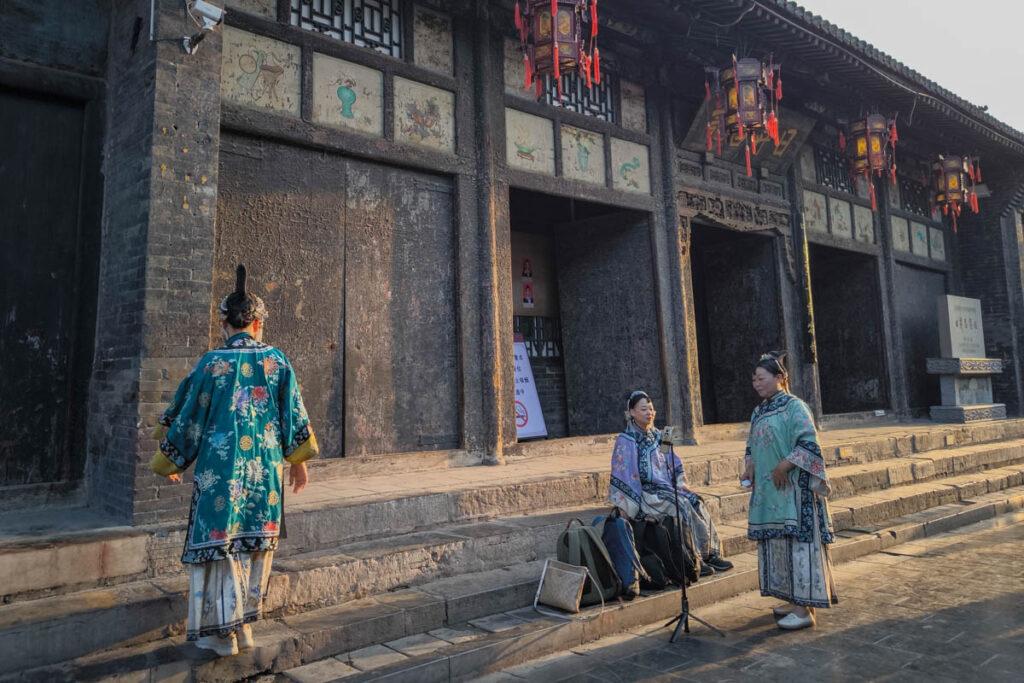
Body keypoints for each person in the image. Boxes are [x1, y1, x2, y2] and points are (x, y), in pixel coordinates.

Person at [150, 265, 319, 656]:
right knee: (252, 545)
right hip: (264, 472)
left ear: (224, 323)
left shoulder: (212, 363)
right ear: (258, 324)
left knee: (219, 545)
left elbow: (188, 414)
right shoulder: (277, 361)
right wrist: (299, 462)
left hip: (220, 471)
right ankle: (243, 627)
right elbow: (293, 414)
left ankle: (219, 633)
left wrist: (172, 460)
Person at [741, 352, 838, 631]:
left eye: (761, 378)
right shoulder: (759, 411)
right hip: (770, 494)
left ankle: (804, 610)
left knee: (799, 547)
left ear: (780, 378)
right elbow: (751, 445)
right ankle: (793, 599)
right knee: (779, 546)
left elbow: (809, 444)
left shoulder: (795, 407)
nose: (757, 384)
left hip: (795, 491)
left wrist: (784, 466)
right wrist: (749, 466)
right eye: (754, 379)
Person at [609, 390, 733, 575]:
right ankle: (694, 559)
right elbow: (624, 474)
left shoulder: (664, 435)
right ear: (632, 412)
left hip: (667, 487)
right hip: (647, 492)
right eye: (643, 409)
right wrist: (626, 506)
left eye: (651, 409)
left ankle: (711, 554)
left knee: (696, 501)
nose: (649, 413)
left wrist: (681, 482)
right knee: (681, 506)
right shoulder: (626, 440)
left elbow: (673, 461)